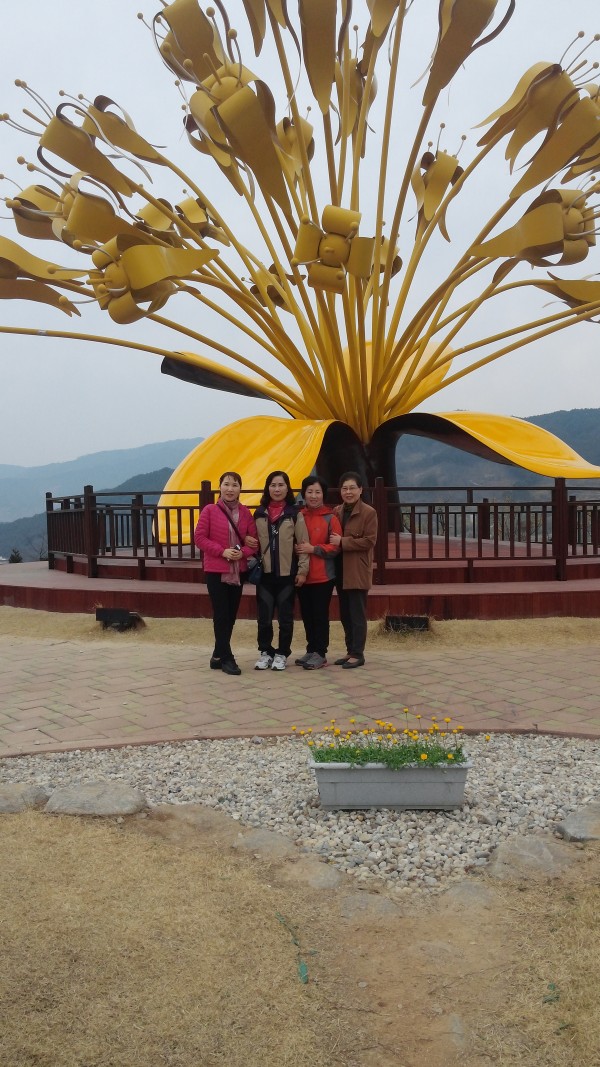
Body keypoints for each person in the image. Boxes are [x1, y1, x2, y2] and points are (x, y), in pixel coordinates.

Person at [194, 471, 257, 675]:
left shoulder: (245, 513)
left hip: (238, 571)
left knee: (230, 615)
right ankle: (228, 658)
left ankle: (217, 656)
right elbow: (199, 538)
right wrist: (222, 551)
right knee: (221, 614)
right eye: (226, 484)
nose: (230, 489)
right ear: (219, 487)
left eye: (235, 485)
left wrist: (242, 553)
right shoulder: (210, 510)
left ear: (240, 489)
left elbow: (254, 542)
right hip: (216, 570)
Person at [253, 470, 309, 671]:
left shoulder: (294, 514)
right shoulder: (259, 514)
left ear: (287, 488)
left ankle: (282, 653)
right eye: (273, 485)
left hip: (287, 575)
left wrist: (302, 571)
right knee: (264, 618)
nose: (277, 489)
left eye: (281, 485)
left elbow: (303, 544)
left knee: (285, 618)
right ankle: (265, 652)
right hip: (265, 576)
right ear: (267, 488)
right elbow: (252, 541)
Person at [330, 471, 378, 669]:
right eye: (344, 488)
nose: (348, 492)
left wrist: (343, 542)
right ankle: (350, 650)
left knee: (357, 613)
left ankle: (358, 653)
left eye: (352, 488)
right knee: (345, 613)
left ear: (360, 490)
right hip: (340, 568)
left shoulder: (369, 512)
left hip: (357, 569)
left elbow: (369, 541)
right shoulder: (337, 511)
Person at [294, 475, 342, 669]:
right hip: (302, 575)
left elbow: (335, 547)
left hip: (323, 576)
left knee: (320, 615)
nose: (313, 496)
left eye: (317, 492)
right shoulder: (299, 516)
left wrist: (313, 549)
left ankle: (320, 653)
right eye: (310, 492)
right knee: (307, 614)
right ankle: (311, 649)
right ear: (304, 494)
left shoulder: (331, 518)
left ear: (323, 494)